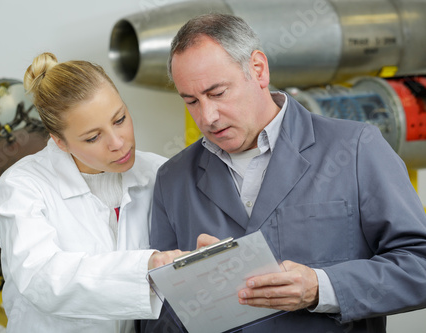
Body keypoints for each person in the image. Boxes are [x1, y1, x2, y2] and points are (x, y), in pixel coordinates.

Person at [138, 13, 426, 333]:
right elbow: (156, 314)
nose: (208, 117)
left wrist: (320, 287)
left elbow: (420, 266)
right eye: (191, 100)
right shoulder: (172, 179)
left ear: (258, 70)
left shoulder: (357, 148)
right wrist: (192, 288)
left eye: (217, 93)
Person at [0, 52, 184, 333]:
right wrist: (148, 266)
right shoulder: (22, 187)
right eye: (93, 137)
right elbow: (43, 278)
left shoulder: (157, 172)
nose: (118, 143)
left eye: (119, 119)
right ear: (60, 142)